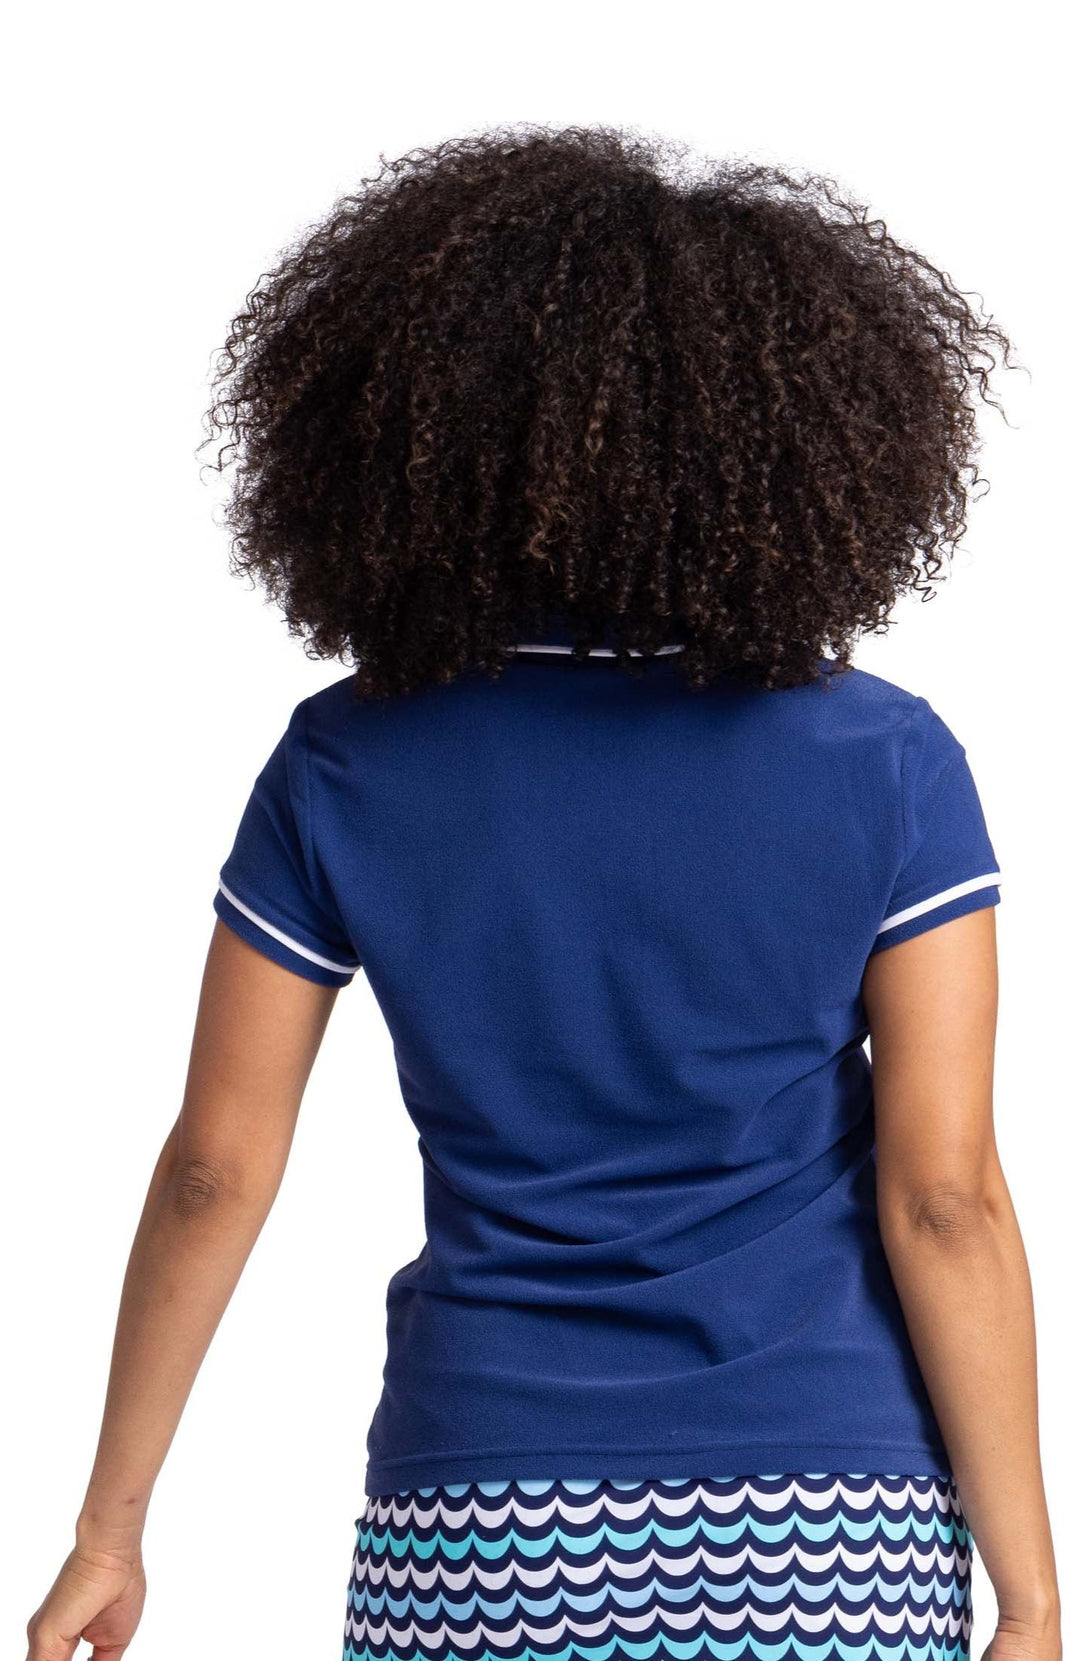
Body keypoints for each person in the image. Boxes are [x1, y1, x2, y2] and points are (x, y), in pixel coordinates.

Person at [26, 124, 1061, 1661]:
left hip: (485, 1521)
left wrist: (109, 1528)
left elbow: (215, 1168)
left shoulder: (351, 761)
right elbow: (945, 1195)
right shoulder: (887, 762)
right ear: (798, 437)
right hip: (827, 1529)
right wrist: (1032, 1591)